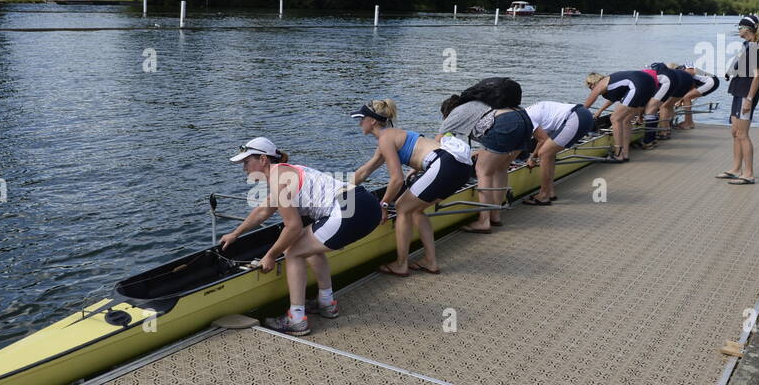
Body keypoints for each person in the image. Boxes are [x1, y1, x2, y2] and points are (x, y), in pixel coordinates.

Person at [221, 136, 381, 335]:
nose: (244, 168)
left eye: (246, 162)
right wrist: (235, 233)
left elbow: (293, 226)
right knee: (308, 246)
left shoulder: (277, 178)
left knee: (293, 251)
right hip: (368, 205)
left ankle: (296, 319)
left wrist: (270, 255)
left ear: (263, 159)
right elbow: (263, 211)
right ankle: (326, 303)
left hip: (346, 211)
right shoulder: (286, 171)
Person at [351, 99, 473, 275]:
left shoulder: (385, 139)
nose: (359, 122)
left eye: (361, 118)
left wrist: (384, 204)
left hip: (444, 164)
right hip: (460, 167)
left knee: (401, 206)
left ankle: (401, 264)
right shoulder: (393, 135)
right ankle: (430, 262)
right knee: (415, 210)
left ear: (372, 121)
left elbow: (397, 180)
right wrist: (341, 190)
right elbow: (364, 172)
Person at [437, 77, 535, 232]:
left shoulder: (455, 113)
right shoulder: (482, 102)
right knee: (500, 169)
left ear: (446, 111)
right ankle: (495, 216)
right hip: (523, 118)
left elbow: (436, 143)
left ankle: (484, 221)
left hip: (506, 121)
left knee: (483, 172)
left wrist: (418, 168)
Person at [716, 14, 759, 185]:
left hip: (747, 93)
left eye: (740, 27)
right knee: (735, 132)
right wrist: (730, 71)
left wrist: (749, 99)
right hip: (738, 90)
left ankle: (749, 174)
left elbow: (757, 76)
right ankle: (736, 169)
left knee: (743, 134)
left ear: (748, 29)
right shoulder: (747, 45)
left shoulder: (757, 48)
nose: (738, 30)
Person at [521, 100, 595, 204]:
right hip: (584, 114)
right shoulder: (529, 112)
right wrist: (533, 156)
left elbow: (543, 140)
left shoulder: (525, 118)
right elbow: (544, 141)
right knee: (548, 152)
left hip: (575, 117)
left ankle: (543, 196)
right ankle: (550, 192)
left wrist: (533, 158)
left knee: (544, 154)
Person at [583, 68, 659, 162]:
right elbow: (613, 100)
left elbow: (590, 99)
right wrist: (600, 111)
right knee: (626, 120)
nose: (591, 90)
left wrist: (577, 113)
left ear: (593, 83)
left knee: (615, 118)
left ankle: (618, 154)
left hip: (639, 82)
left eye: (590, 87)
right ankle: (625, 154)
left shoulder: (601, 83)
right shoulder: (611, 86)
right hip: (651, 84)